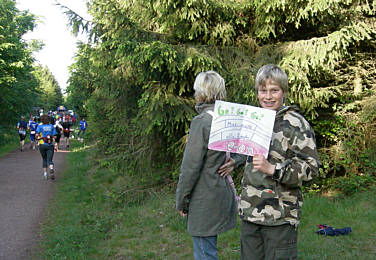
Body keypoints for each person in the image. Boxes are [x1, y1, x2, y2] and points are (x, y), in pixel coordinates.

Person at [218, 64, 320, 260]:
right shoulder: (254, 118)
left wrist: (273, 169)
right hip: (250, 213)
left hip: (280, 218)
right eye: (262, 90)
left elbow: (310, 168)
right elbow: (250, 152)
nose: (268, 96)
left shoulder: (296, 123)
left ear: (284, 92)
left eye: (274, 90)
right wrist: (236, 161)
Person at [176, 71, 237, 260]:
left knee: (205, 253)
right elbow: (247, 148)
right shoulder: (227, 118)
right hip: (221, 192)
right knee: (209, 250)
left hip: (205, 198)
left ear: (201, 93)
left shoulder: (202, 122)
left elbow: (190, 167)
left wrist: (181, 199)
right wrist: (236, 161)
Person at [36, 115, 57, 180]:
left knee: (44, 159)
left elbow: (36, 135)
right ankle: (51, 168)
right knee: (50, 159)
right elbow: (55, 136)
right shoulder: (51, 126)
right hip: (50, 145)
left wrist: (38, 138)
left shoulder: (40, 126)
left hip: (42, 144)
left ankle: (45, 174)